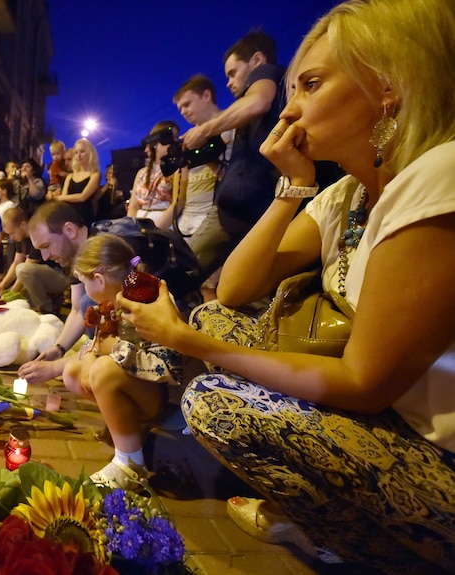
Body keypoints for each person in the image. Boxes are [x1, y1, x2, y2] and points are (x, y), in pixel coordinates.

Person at [119, 0, 455, 571]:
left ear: (390, 86)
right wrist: (291, 185)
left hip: (436, 457)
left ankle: (381, 548)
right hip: (385, 411)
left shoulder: (435, 173)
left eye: (311, 84)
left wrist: (189, 345)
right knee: (211, 318)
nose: (290, 108)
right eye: (293, 86)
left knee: (213, 401)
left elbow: (364, 382)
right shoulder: (345, 193)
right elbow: (234, 289)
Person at [64, 234, 183, 490]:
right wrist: (91, 356)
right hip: (140, 387)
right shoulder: (112, 301)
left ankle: (130, 464)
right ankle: (126, 428)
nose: (84, 289)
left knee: (104, 371)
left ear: (98, 278)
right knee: (74, 370)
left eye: (83, 281)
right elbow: (94, 343)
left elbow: (168, 367)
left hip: (167, 399)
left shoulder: (149, 302)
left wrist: (109, 350)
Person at [180, 30, 285, 283]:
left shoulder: (265, 75)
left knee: (181, 273)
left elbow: (258, 101)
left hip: (242, 215)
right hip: (240, 214)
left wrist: (204, 130)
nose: (227, 82)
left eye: (232, 72)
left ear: (257, 60)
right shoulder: (249, 110)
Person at [18, 201, 92, 384]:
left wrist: (55, 368)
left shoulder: (107, 253)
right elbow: (76, 310)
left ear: (69, 230)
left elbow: (115, 342)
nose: (45, 257)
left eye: (46, 245)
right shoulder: (76, 256)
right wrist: (58, 349)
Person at [173, 75, 235, 237]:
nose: (183, 112)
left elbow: (234, 178)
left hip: (217, 215)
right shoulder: (188, 140)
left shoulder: (233, 126)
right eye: (180, 109)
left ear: (206, 96)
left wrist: (208, 156)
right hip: (186, 221)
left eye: (187, 104)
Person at [0, 206, 68, 314]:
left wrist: (9, 295)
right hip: (44, 276)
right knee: (21, 282)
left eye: (12, 233)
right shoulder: (20, 237)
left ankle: (47, 308)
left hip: (59, 276)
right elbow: (16, 262)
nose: (11, 237)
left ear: (23, 224)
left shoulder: (35, 237)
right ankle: (50, 300)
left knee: (23, 272)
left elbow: (23, 271)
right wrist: (1, 286)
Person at [126, 122, 181, 229]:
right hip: (139, 224)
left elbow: (177, 204)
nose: (174, 142)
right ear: (155, 142)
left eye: (176, 138)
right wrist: (131, 228)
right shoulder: (142, 173)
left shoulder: (177, 169)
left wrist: (155, 231)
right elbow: (133, 206)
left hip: (164, 225)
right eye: (169, 138)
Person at [55, 138, 101, 225]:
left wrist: (60, 197)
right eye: (76, 153)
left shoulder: (95, 174)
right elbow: (64, 199)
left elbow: (83, 197)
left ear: (90, 153)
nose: (78, 155)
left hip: (84, 218)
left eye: (82, 151)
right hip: (69, 217)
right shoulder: (70, 176)